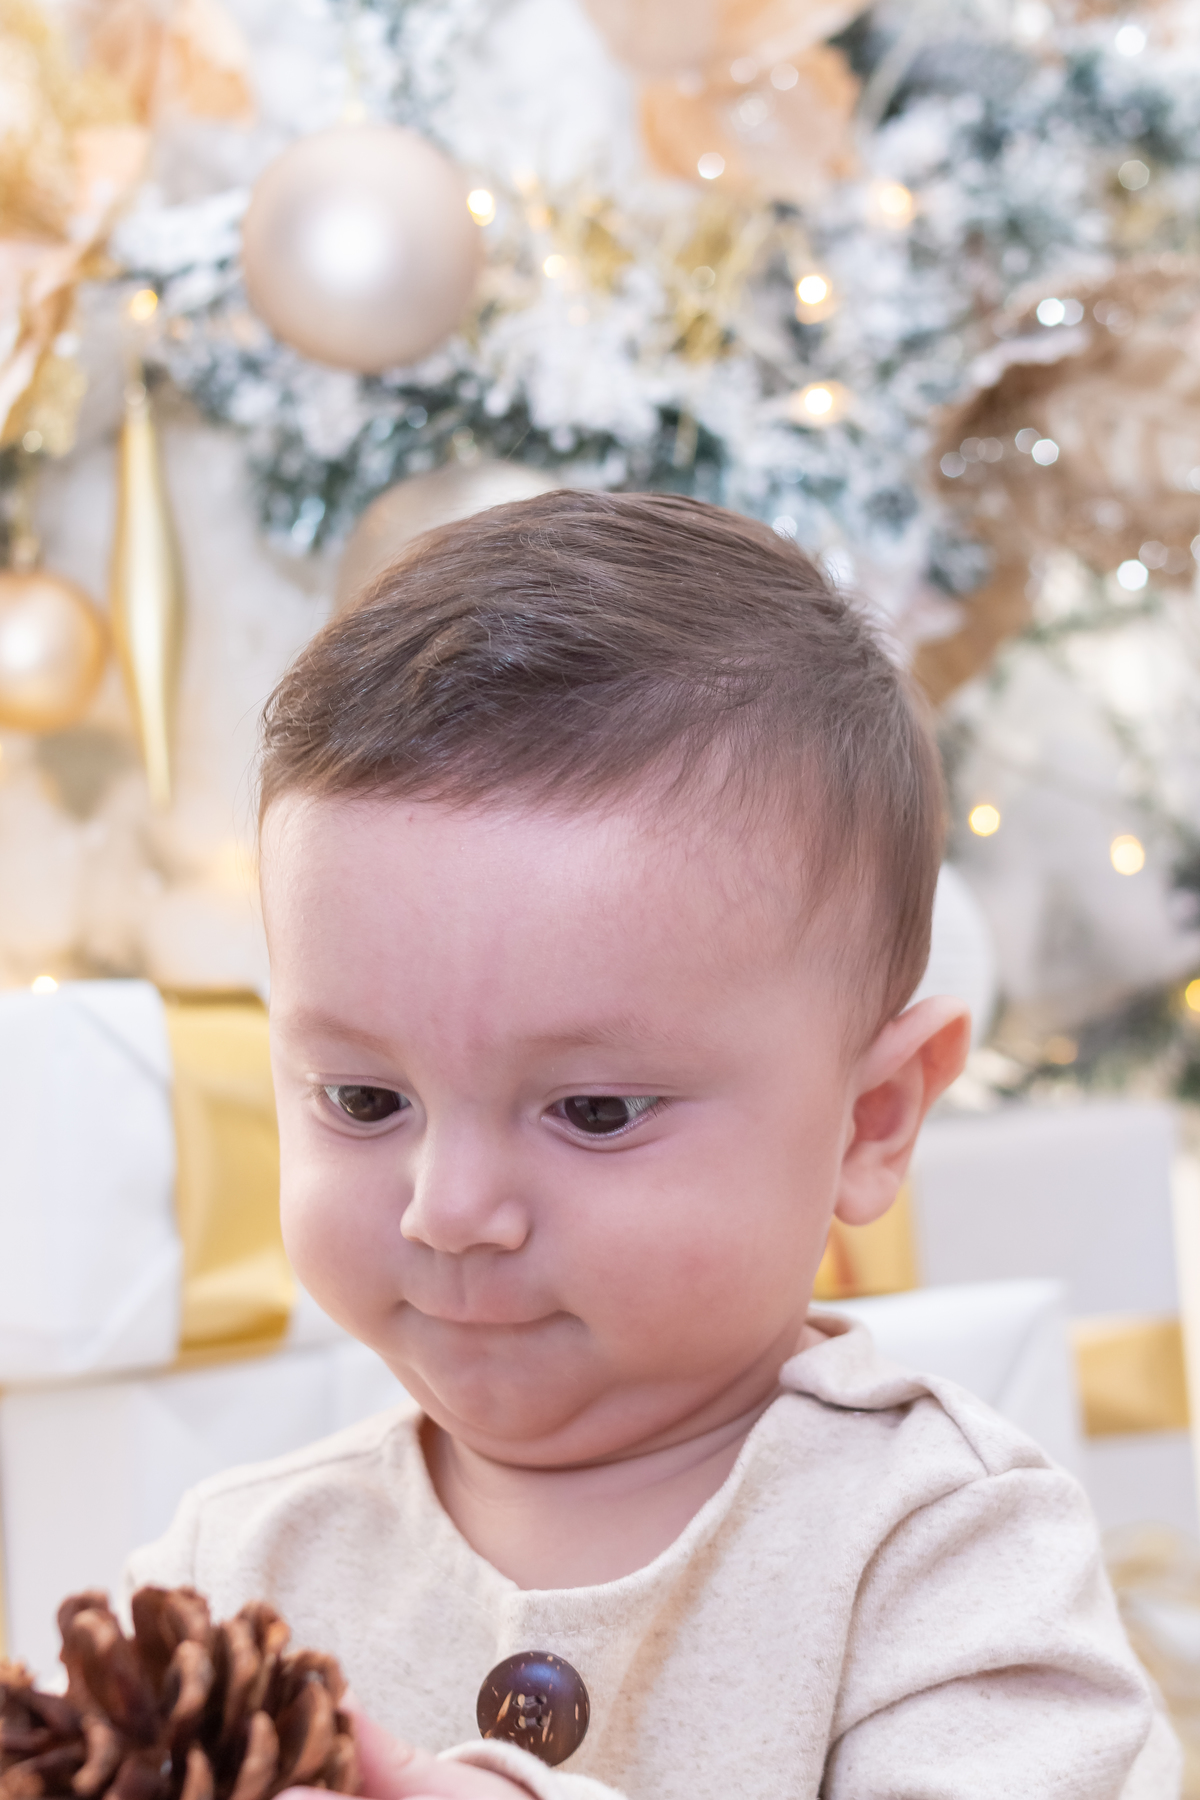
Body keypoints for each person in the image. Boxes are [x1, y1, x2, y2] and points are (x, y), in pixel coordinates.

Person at [127, 491, 1180, 1799]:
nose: (450, 1210)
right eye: (362, 1099)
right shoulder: (235, 1574)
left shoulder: (945, 1551)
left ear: (873, 1120)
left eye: (596, 1112)